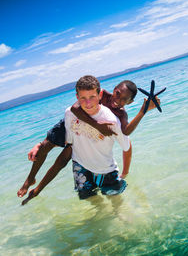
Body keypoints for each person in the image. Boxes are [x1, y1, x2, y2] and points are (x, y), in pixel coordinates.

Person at [18, 77, 159, 199]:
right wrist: (98, 126)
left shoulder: (121, 114)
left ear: (130, 102)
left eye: (124, 100)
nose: (118, 100)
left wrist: (143, 111)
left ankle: (37, 190)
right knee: (44, 147)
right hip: (78, 121)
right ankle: (30, 179)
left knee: (62, 161)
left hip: (85, 133)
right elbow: (75, 108)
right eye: (117, 94)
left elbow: (126, 132)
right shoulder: (100, 94)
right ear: (115, 88)